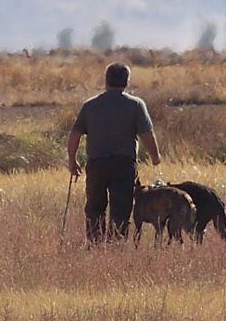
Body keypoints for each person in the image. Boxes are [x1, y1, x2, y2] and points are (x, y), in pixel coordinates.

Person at [67, 62, 161, 244]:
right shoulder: (136, 105)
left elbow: (75, 135)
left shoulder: (90, 106)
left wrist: (72, 160)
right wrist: (155, 157)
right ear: (127, 81)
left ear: (106, 80)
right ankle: (116, 245)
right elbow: (147, 135)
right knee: (121, 209)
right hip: (124, 165)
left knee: (94, 208)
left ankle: (95, 244)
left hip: (96, 164)